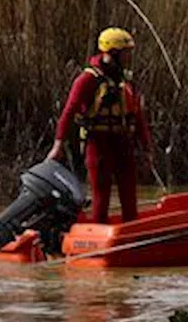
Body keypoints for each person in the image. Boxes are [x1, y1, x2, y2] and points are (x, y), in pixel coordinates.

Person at [47, 27, 152, 223]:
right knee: (101, 197)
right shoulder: (87, 80)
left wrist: (147, 149)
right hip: (98, 144)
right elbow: (68, 112)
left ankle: (132, 238)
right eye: (125, 53)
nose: (129, 57)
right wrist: (58, 145)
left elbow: (138, 117)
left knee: (129, 196)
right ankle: (97, 239)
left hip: (123, 143)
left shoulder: (126, 80)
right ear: (111, 53)